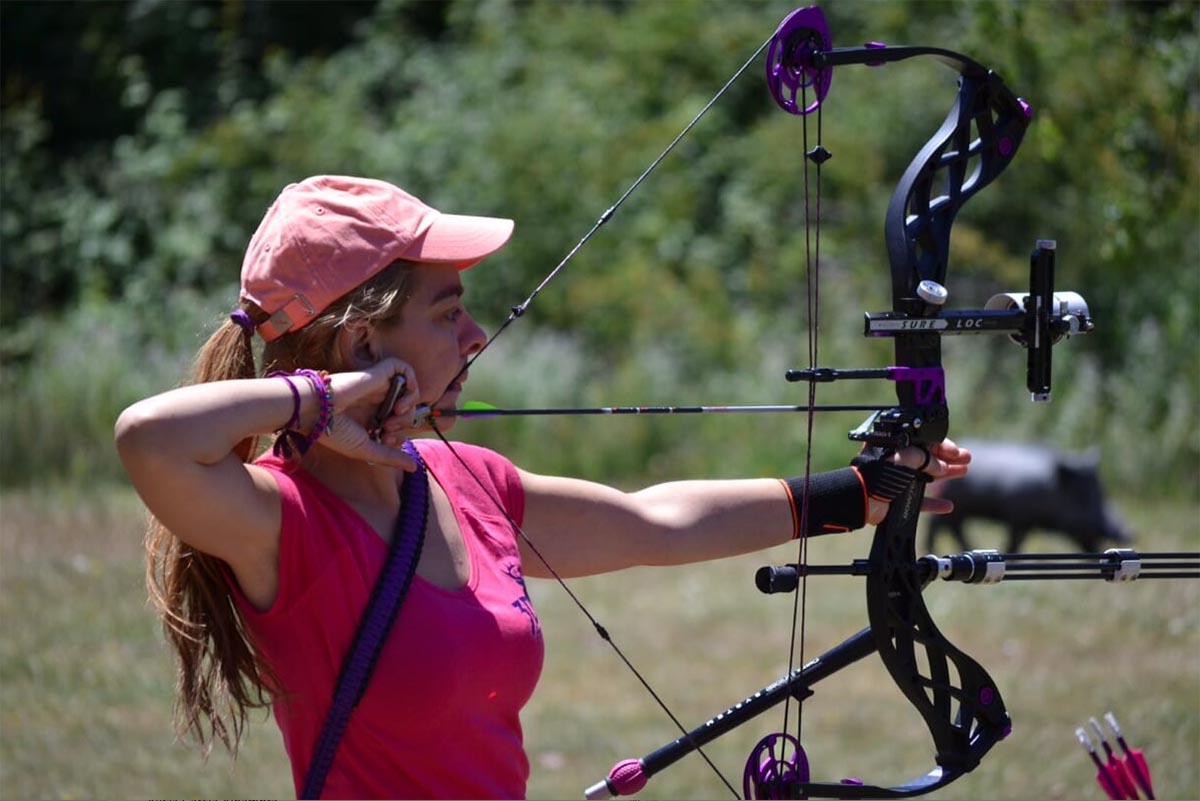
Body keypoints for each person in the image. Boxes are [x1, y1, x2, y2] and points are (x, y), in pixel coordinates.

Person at [114, 175, 970, 800]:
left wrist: (861, 493)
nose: (477, 334)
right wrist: (324, 402)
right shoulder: (281, 519)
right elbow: (149, 438)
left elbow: (655, 521)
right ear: (361, 342)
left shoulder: (461, 478)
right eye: (448, 312)